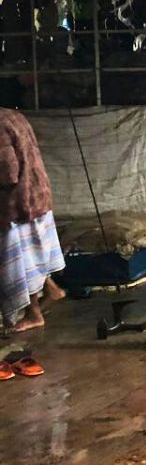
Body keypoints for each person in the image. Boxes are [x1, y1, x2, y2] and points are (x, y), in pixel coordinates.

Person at [0, 108, 63, 332]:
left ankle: (33, 313)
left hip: (19, 201)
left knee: (23, 260)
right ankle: (52, 289)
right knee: (36, 252)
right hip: (37, 190)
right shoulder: (12, 115)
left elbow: (8, 173)